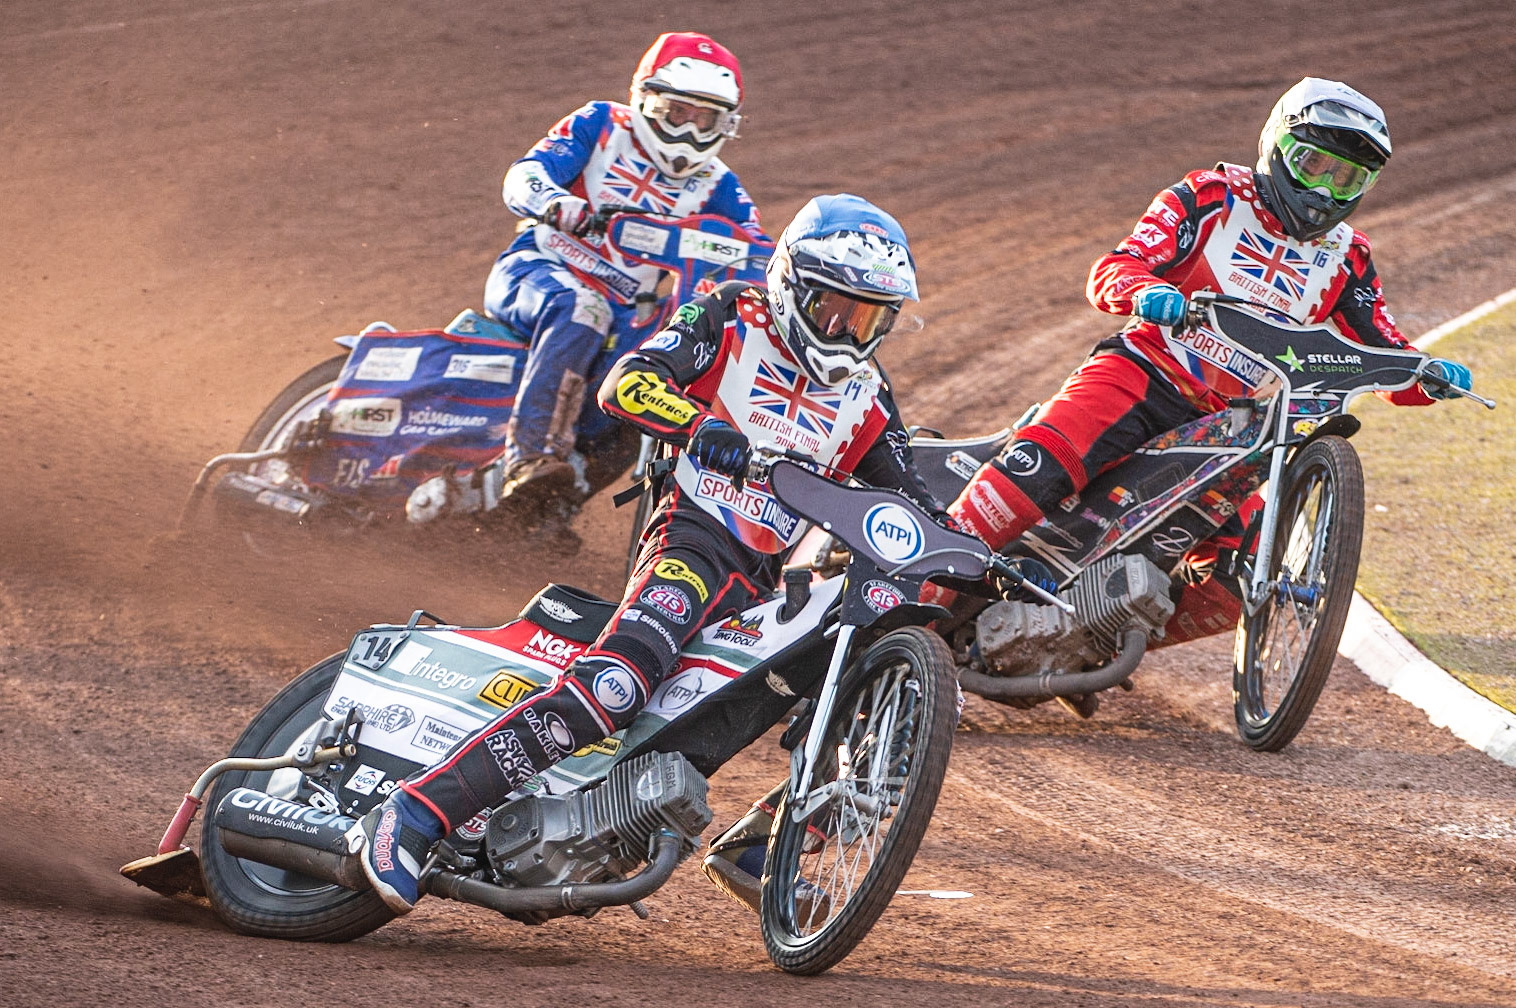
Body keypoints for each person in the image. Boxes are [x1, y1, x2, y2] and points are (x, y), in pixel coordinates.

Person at [352, 194, 961, 915]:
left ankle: (761, 845)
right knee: (616, 686)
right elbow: (629, 384)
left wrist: (993, 559)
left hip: (763, 581)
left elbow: (918, 504)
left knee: (782, 686)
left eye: (867, 317)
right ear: (794, 284)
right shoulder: (732, 314)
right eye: (834, 308)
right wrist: (703, 427)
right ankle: (415, 813)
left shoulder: (866, 393)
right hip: (690, 536)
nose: (847, 331)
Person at [930, 77, 1476, 639]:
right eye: (1314, 166)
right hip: (1144, 372)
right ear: (1276, 146)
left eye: (1348, 178)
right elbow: (1116, 268)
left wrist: (1429, 375)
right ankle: (906, 594)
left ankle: (1082, 639)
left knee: (1237, 582)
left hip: (1231, 426)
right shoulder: (1210, 195)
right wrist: (1145, 293)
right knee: (1036, 468)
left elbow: (1384, 352)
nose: (1327, 192)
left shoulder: (1349, 258)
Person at [482, 31, 768, 512]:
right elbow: (524, 174)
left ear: (727, 125)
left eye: (706, 120)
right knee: (581, 308)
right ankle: (529, 459)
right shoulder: (602, 124)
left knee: (647, 381)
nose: (689, 133)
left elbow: (758, 252)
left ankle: (554, 505)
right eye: (678, 113)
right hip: (539, 266)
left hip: (625, 312)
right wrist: (556, 203)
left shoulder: (719, 184)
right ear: (647, 100)